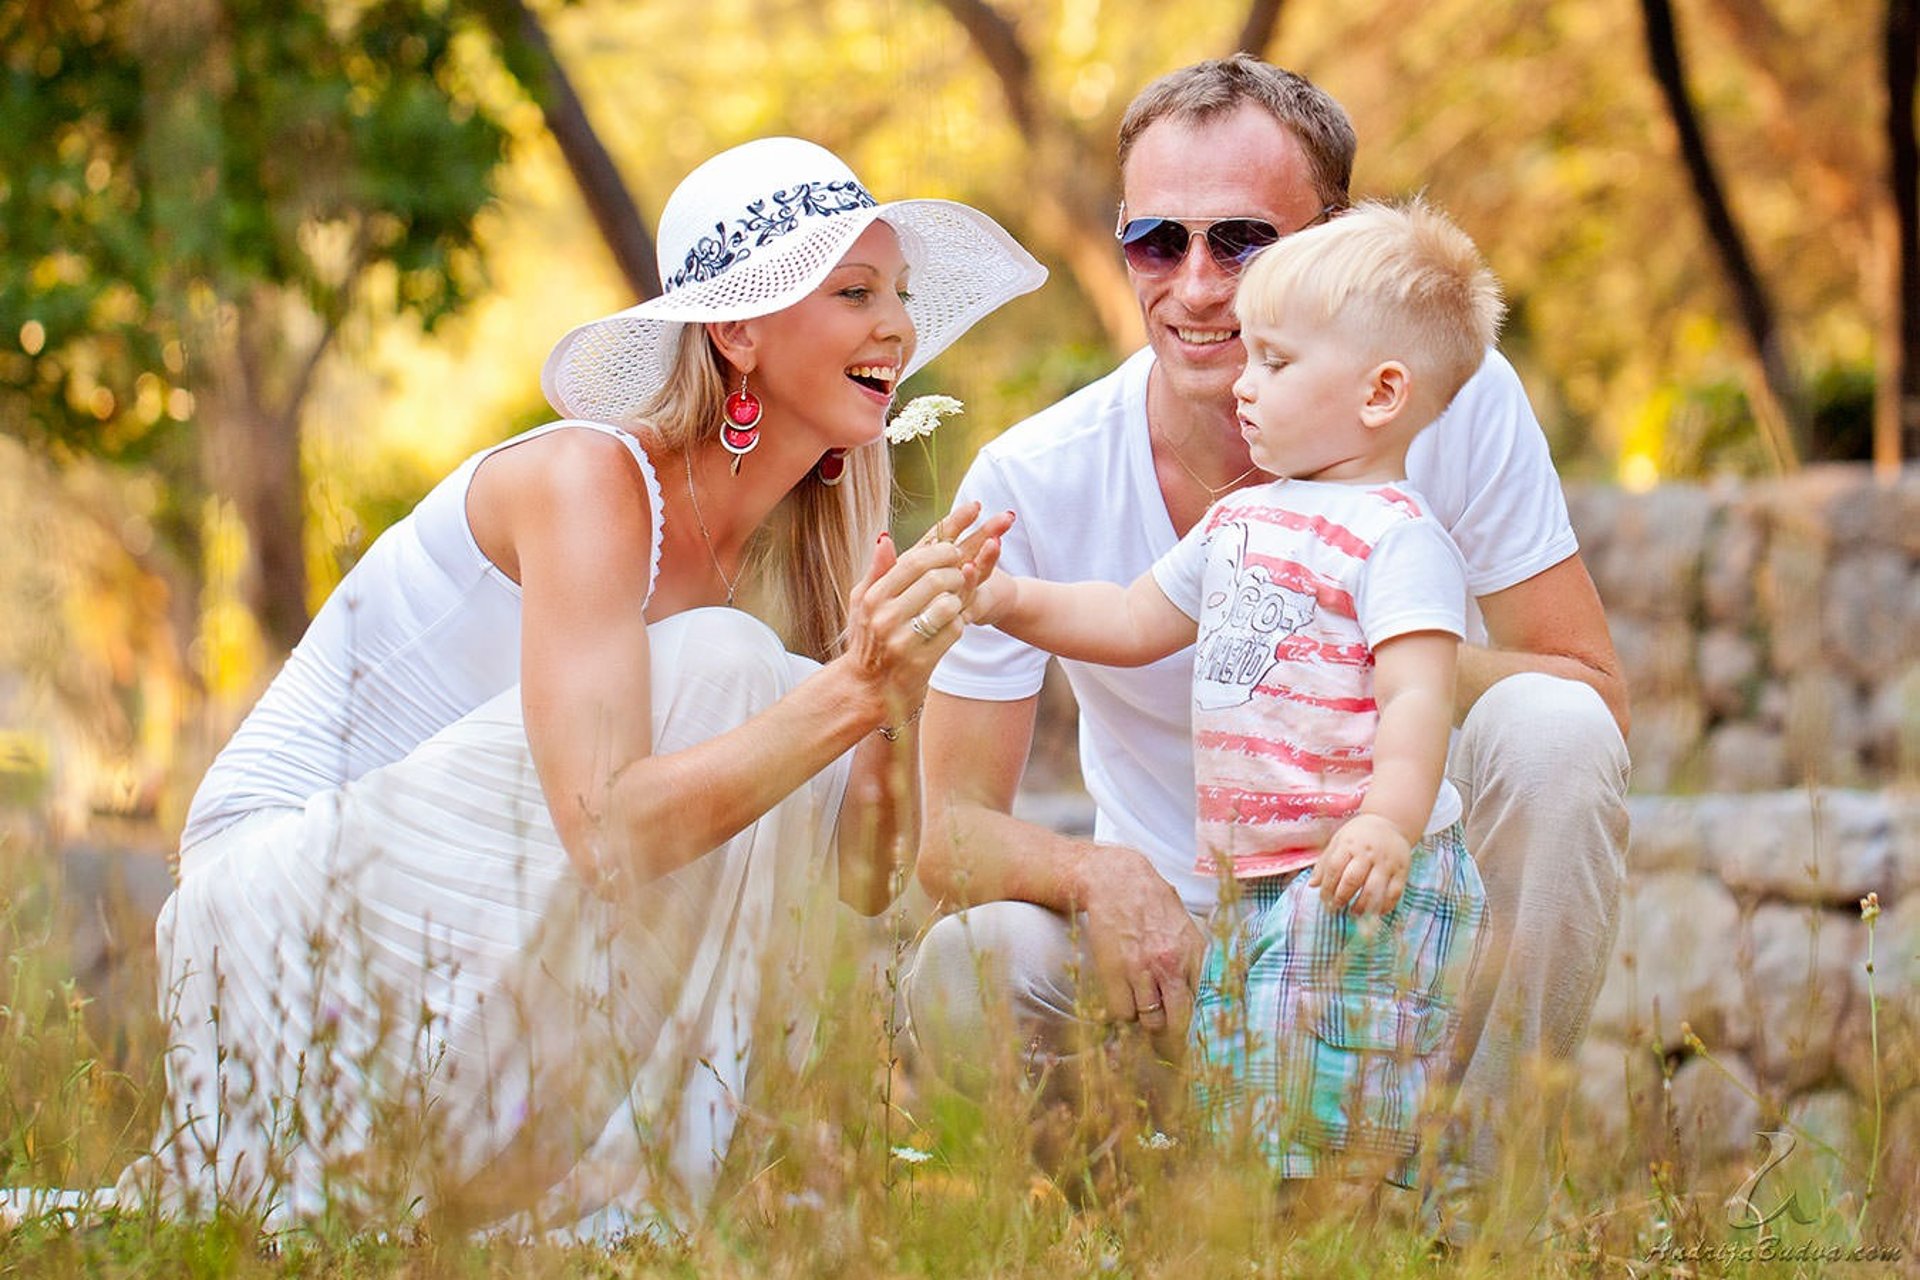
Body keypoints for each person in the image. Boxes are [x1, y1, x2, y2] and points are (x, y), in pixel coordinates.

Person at [11, 137, 1045, 1239]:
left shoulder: (808, 549)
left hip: (489, 938)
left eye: (900, 294)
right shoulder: (588, 480)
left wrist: (896, 693)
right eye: (854, 293)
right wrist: (846, 688)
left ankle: (632, 1186)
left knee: (761, 683)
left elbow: (864, 874)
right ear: (739, 331)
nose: (898, 324)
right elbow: (606, 832)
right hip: (280, 905)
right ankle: (608, 1191)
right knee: (740, 669)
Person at [907, 55, 1629, 1231]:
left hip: (1390, 951)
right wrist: (1097, 872)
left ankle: (1472, 1210)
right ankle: (1125, 1224)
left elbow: (1591, 686)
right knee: (967, 957)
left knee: (1559, 730)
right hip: (1175, 967)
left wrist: (1382, 643)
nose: (1194, 286)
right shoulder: (1035, 476)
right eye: (1156, 240)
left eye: (1241, 241)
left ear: (1328, 242)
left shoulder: (1445, 401)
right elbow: (947, 835)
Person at [966, 198, 1495, 1189]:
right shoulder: (1244, 516)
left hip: (1357, 880)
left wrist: (1387, 820)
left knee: (1343, 1115)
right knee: (1255, 1104)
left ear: (1382, 393)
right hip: (1258, 881)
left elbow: (1419, 697)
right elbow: (1127, 617)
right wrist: (1008, 598)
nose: (1243, 385)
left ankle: (1378, 1233)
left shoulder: (1399, 538)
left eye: (1277, 363)